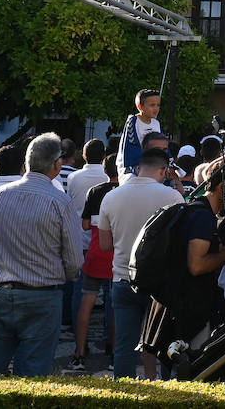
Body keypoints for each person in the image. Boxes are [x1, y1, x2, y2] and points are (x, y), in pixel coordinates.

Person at [0, 133, 83, 377]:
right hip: (42, 295)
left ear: (27, 162)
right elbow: (75, 263)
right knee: (33, 375)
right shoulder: (60, 202)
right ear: (57, 164)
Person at [140, 156, 225, 374]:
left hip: (180, 306)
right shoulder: (202, 217)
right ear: (221, 186)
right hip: (187, 312)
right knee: (189, 371)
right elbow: (197, 265)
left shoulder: (198, 210)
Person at [97, 146, 184, 379]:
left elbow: (105, 245)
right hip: (161, 283)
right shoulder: (172, 197)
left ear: (137, 169)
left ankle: (124, 394)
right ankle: (163, 390)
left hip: (123, 279)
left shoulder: (111, 197)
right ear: (164, 170)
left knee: (124, 346)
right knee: (163, 343)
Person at [67, 154, 118, 375]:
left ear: (105, 170)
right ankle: (114, 355)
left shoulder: (95, 191)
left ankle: (79, 354)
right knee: (115, 308)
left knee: (85, 305)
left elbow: (85, 225)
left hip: (96, 254)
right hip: (117, 257)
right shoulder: (124, 193)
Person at [117, 89, 162, 181]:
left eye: (158, 105)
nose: (156, 108)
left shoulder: (156, 123)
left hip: (151, 165)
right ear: (140, 106)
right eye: (152, 105)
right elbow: (131, 146)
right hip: (133, 168)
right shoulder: (133, 121)